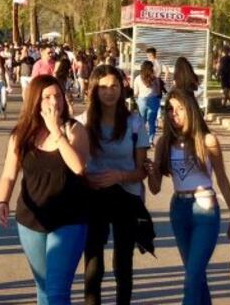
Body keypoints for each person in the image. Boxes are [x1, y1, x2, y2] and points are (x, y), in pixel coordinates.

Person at [0, 75, 90, 305]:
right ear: (35, 101)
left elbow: (78, 167)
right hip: (31, 220)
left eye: (57, 95)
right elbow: (9, 174)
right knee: (43, 288)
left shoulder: (74, 130)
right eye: (47, 96)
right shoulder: (21, 134)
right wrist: (2, 201)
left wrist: (55, 131)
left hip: (69, 220)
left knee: (57, 291)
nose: (53, 101)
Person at [148, 89, 230, 305]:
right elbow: (155, 188)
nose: (174, 114)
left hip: (205, 210)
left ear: (191, 110)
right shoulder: (163, 143)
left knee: (192, 278)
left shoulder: (207, 140)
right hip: (179, 209)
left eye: (180, 109)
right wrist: (151, 170)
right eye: (170, 109)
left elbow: (223, 179)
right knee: (195, 276)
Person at [80, 65, 151, 305]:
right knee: (93, 262)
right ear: (93, 90)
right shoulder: (82, 122)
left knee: (123, 263)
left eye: (114, 86)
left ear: (123, 88)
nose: (109, 92)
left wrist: (119, 176)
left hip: (126, 196)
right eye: (103, 87)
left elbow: (141, 170)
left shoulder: (134, 122)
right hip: (93, 198)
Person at [134, 60, 164, 139]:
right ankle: (150, 140)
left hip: (142, 101)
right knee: (152, 122)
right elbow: (158, 92)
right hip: (153, 100)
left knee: (142, 121)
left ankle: (141, 138)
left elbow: (136, 93)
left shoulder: (137, 78)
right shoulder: (155, 78)